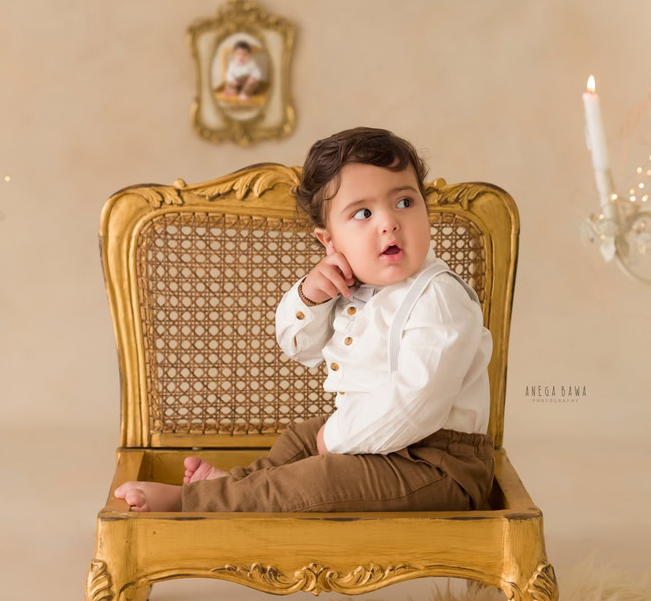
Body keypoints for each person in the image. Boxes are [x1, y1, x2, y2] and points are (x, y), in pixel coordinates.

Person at [113, 126, 495, 512]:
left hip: (438, 465)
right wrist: (309, 298)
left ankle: (192, 502)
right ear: (330, 241)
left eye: (404, 202)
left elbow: (416, 402)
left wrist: (336, 437)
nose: (389, 222)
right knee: (301, 439)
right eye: (363, 213)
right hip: (379, 444)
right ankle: (239, 486)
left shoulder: (439, 298)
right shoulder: (350, 283)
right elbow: (301, 347)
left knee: (321, 478)